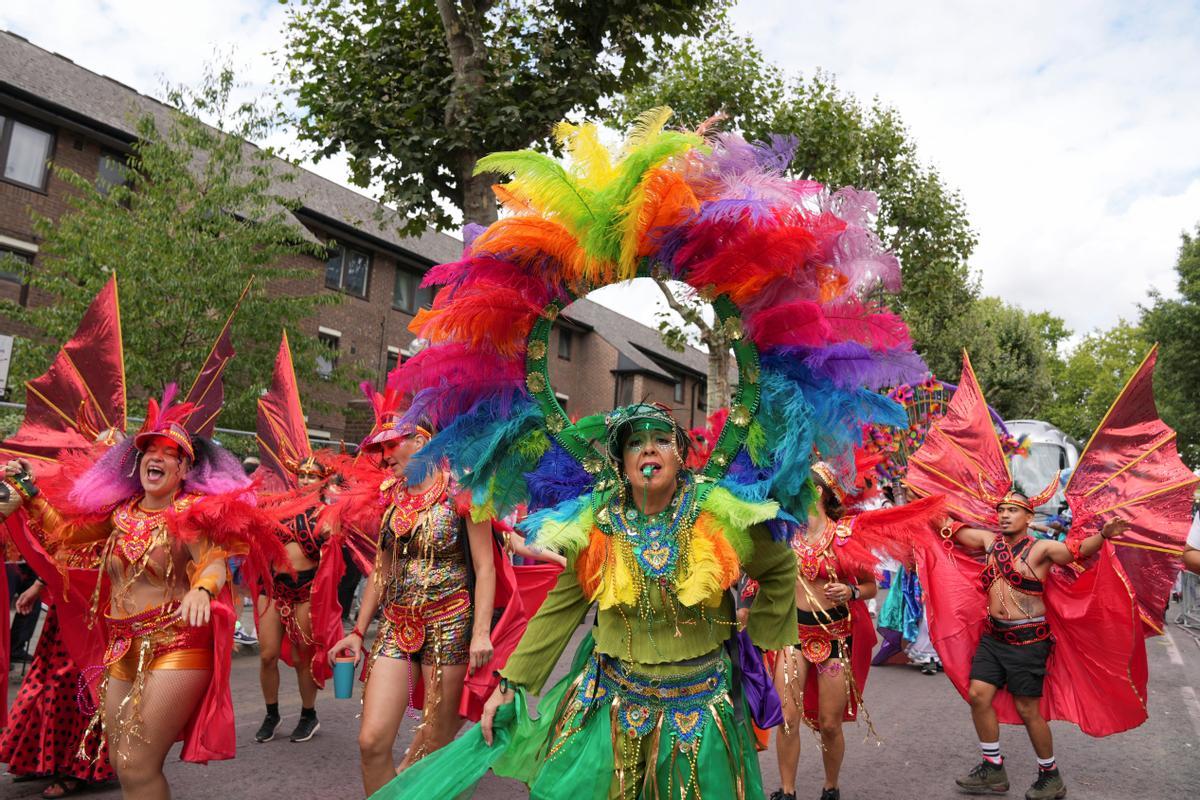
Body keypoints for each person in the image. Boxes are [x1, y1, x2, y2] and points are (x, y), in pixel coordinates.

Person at [0, 388, 285, 800]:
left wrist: (203, 590)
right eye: (149, 449)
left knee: (138, 762)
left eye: (169, 452)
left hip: (176, 644)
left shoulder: (192, 513)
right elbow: (65, 535)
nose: (156, 457)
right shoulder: (120, 513)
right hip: (120, 646)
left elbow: (212, 560)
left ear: (185, 467)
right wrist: (30, 493)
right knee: (121, 760)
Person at [326, 395, 496, 797]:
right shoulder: (391, 496)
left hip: (449, 625)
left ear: (420, 442)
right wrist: (358, 630)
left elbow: (485, 567)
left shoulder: (463, 488)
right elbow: (381, 570)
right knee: (371, 743)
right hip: (396, 625)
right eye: (378, 449)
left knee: (433, 749)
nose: (383, 457)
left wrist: (481, 632)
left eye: (391, 445)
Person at [939, 493, 1126, 799]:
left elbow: (1074, 552)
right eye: (1001, 510)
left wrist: (1104, 534)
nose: (1004, 515)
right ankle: (993, 767)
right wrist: (915, 500)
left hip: (1027, 641)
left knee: (1028, 709)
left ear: (1028, 517)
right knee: (978, 695)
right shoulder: (989, 541)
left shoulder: (1041, 549)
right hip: (993, 638)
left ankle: (1050, 775)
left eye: (1013, 510)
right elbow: (951, 528)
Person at [253, 455, 337, 744]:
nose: (304, 480)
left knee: (303, 657)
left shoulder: (327, 514)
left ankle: (308, 714)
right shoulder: (278, 508)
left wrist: (331, 537)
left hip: (306, 589)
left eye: (311, 476)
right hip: (274, 587)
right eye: (301, 475)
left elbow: (336, 558)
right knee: (267, 655)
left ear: (322, 481)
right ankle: (271, 713)